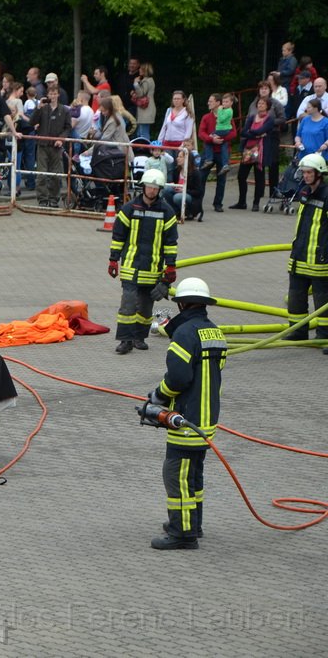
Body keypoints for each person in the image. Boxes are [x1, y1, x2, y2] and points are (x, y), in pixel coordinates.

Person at [144, 277, 225, 550]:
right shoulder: (213, 331)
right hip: (207, 418)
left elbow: (178, 377)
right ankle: (193, 524)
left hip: (187, 417)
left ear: (183, 303)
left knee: (176, 475)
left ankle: (182, 534)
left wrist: (159, 396)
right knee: (193, 475)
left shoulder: (185, 334)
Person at [108, 168, 178, 354]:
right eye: (150, 186)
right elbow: (118, 236)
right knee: (128, 305)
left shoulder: (167, 212)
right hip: (131, 266)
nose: (152, 190)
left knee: (146, 308)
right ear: (143, 186)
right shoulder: (129, 209)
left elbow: (171, 242)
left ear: (160, 189)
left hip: (153, 269)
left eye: (156, 188)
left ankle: (139, 337)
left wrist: (170, 265)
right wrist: (113, 259)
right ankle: (125, 340)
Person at [284, 153, 328, 351]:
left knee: (323, 302)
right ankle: (298, 331)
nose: (306, 176)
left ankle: (325, 337)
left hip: (320, 260)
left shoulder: (326, 196)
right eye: (304, 172)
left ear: (319, 174)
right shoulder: (304, 193)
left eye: (309, 172)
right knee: (295, 298)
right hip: (300, 257)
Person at [22, 85, 70, 209]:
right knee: (41, 174)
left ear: (58, 95)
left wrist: (61, 139)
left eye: (55, 94)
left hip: (56, 146)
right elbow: (32, 122)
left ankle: (54, 198)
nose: (53, 96)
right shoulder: (43, 108)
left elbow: (68, 127)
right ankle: (42, 199)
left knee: (55, 174)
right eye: (51, 94)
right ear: (47, 95)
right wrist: (38, 108)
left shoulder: (64, 110)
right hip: (42, 144)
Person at [229, 98, 275, 211]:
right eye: (259, 103)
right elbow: (244, 131)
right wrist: (256, 134)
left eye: (263, 103)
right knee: (241, 176)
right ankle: (242, 202)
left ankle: (256, 203)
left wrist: (253, 132)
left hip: (261, 150)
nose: (260, 105)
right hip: (248, 149)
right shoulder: (251, 117)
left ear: (267, 106)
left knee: (259, 177)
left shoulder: (270, 119)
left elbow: (262, 130)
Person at [164, 149, 204, 221]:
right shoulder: (177, 170)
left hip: (191, 197)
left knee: (177, 197)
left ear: (187, 159)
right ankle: (175, 212)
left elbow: (199, 192)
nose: (177, 158)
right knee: (166, 189)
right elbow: (175, 184)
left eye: (180, 157)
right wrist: (174, 185)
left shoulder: (195, 173)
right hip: (179, 192)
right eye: (178, 156)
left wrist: (185, 190)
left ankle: (189, 213)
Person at [200, 93, 234, 172]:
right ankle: (210, 160)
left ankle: (216, 162)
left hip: (221, 153)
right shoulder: (206, 117)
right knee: (201, 177)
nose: (208, 103)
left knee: (221, 180)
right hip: (209, 151)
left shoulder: (227, 115)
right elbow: (201, 133)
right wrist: (212, 139)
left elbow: (233, 133)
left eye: (211, 101)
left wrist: (221, 139)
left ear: (218, 103)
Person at [132, 63, 156, 139]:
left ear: (144, 70)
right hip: (147, 109)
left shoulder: (146, 81)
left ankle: (145, 149)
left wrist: (136, 83)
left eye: (140, 69)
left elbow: (141, 94)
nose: (139, 70)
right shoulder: (150, 80)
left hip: (146, 110)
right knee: (142, 131)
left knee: (143, 133)